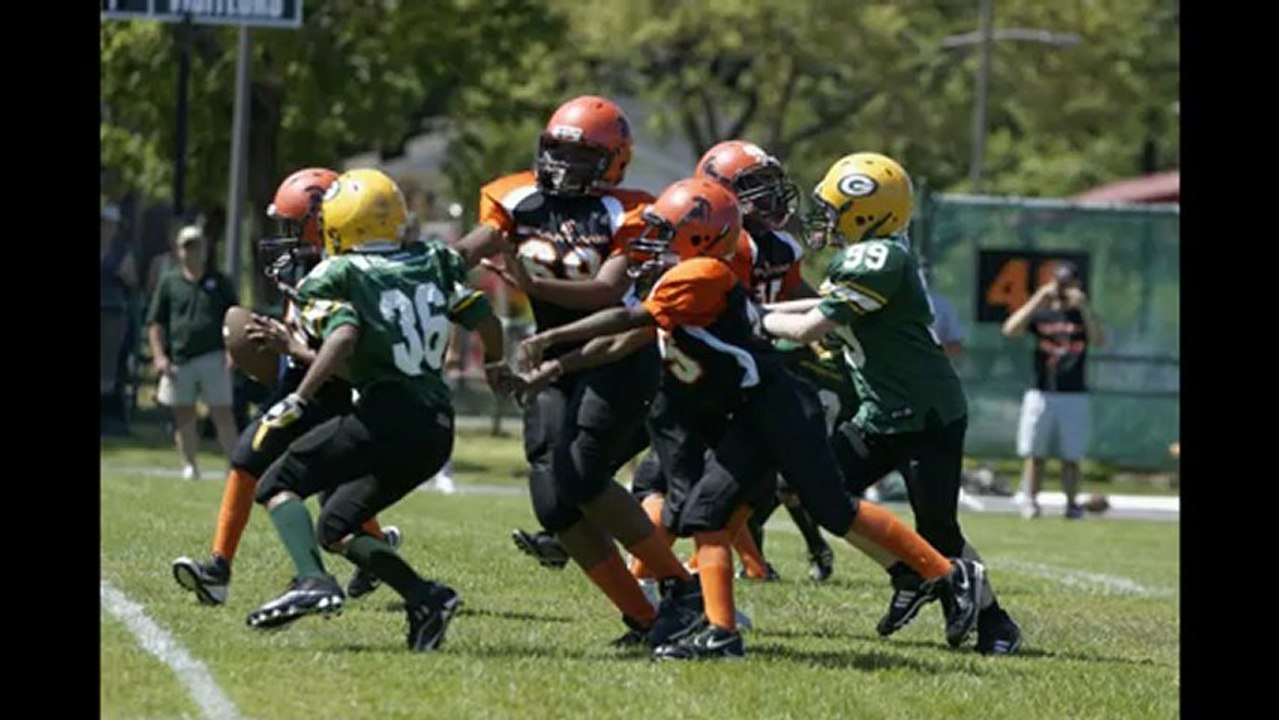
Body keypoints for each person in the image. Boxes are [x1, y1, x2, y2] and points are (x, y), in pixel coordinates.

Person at [517, 176, 986, 660]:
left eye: (665, 229)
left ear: (701, 236)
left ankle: (949, 575)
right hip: (749, 415)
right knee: (706, 516)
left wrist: (551, 343)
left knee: (832, 509)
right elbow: (626, 342)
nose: (651, 240)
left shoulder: (699, 275)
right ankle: (721, 634)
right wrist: (558, 366)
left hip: (779, 411)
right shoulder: (686, 276)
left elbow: (626, 322)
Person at [454, 95, 704, 648]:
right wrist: (447, 261)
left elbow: (608, 289)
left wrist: (533, 285)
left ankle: (680, 590)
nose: (563, 167)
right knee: (552, 499)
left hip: (617, 355)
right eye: (557, 152)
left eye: (582, 156)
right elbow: (488, 239)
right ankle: (645, 618)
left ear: (614, 161)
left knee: (584, 474)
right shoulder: (514, 194)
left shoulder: (633, 210)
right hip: (552, 356)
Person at [244, 168, 519, 651]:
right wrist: (496, 364)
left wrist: (299, 395)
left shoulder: (337, 272)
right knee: (336, 525)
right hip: (435, 431)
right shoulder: (427, 262)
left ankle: (312, 581)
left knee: (277, 485)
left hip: (384, 417)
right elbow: (484, 318)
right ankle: (426, 598)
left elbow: (345, 339)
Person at [761, 151, 1021, 655]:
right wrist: (757, 306)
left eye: (835, 211)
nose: (826, 222)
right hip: (881, 412)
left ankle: (996, 623)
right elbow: (820, 304)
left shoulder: (877, 258)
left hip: (926, 414)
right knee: (809, 488)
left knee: (939, 529)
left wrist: (750, 319)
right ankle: (910, 575)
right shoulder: (873, 257)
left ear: (866, 212)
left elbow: (811, 326)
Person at [171, 168, 401, 606]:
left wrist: (290, 350)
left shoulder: (345, 271)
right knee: (282, 471)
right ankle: (220, 567)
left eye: (292, 224)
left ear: (320, 221)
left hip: (329, 387)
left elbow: (341, 346)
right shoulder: (306, 265)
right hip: (306, 382)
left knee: (301, 480)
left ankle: (223, 570)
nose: (285, 234)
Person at [1001, 261, 1105, 520]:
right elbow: (1011, 328)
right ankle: (1031, 501)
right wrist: (1038, 298)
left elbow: (1099, 340)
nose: (1061, 290)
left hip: (1074, 393)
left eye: (1067, 284)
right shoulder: (1042, 314)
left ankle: (1071, 504)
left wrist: (1083, 306)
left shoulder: (1083, 316)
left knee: (1071, 455)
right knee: (1035, 453)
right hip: (1041, 391)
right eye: (1059, 284)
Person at [146, 224, 239, 479]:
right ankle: (190, 465)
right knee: (184, 414)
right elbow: (156, 322)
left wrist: (233, 352)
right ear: (179, 250)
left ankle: (235, 467)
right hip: (180, 358)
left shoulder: (220, 281)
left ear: (205, 248)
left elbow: (235, 319)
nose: (193, 251)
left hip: (214, 356)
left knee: (222, 412)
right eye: (187, 246)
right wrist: (159, 356)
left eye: (197, 245)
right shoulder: (169, 282)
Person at [101, 203, 137, 434]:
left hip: (113, 313)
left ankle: (108, 418)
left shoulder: (121, 250)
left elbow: (131, 280)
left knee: (108, 367)